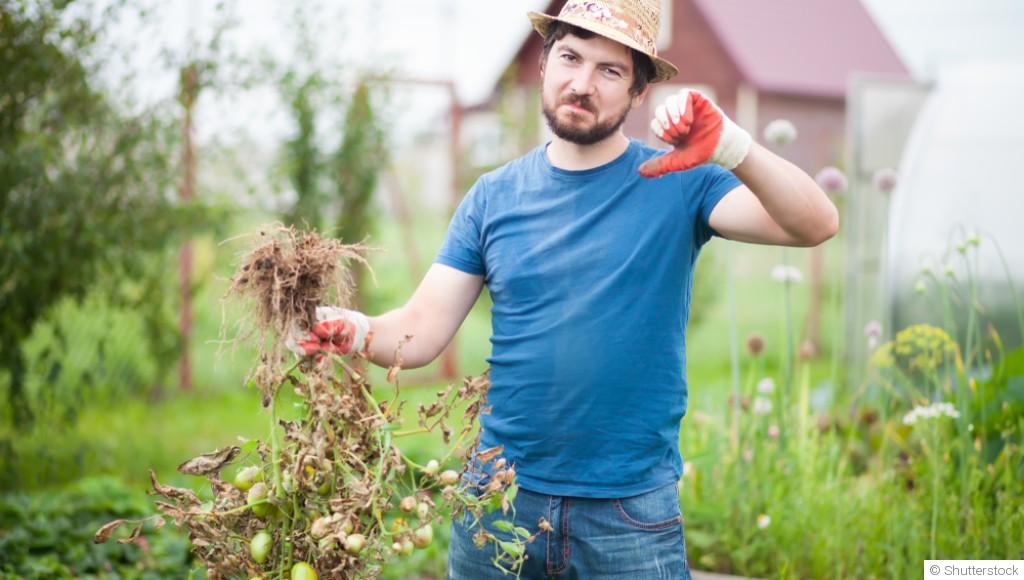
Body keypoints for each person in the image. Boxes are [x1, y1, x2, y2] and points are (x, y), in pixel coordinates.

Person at [290, 0, 838, 577]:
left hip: (628, 511)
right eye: (571, 58)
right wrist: (352, 329)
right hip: (498, 503)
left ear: (637, 92)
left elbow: (815, 224)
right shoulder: (493, 197)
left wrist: (731, 147)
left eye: (610, 70)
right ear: (546, 64)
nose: (582, 84)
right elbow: (420, 331)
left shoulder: (683, 182)